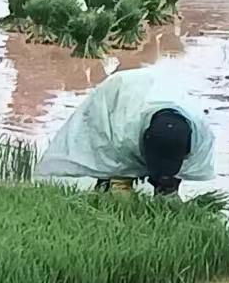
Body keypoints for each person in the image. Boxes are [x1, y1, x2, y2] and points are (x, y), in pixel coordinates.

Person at [37, 67, 216, 197]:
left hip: (159, 95)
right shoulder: (125, 133)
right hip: (120, 91)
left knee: (166, 182)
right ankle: (104, 188)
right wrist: (123, 197)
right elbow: (116, 160)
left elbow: (180, 168)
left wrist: (168, 185)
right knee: (113, 167)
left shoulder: (200, 137)